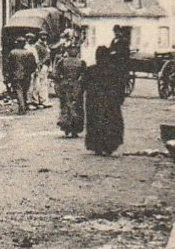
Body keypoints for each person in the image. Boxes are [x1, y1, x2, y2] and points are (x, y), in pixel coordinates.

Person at [84, 28, 132, 156]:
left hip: (95, 101)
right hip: (111, 101)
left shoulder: (91, 70)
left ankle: (97, 145)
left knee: (96, 122)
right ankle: (109, 145)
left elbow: (84, 84)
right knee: (111, 121)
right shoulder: (114, 71)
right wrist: (120, 98)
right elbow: (120, 85)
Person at [51, 42, 86, 137]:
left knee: (66, 106)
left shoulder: (62, 61)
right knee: (76, 107)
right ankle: (75, 129)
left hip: (65, 86)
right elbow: (84, 76)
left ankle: (67, 128)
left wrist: (61, 81)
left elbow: (55, 75)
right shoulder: (81, 62)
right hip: (76, 87)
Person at [4, 39, 36, 115]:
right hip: (26, 75)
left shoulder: (12, 52)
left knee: (18, 90)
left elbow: (8, 65)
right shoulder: (29, 53)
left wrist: (8, 74)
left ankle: (22, 108)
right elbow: (33, 65)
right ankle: (24, 106)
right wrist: (29, 72)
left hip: (15, 75)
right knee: (25, 90)